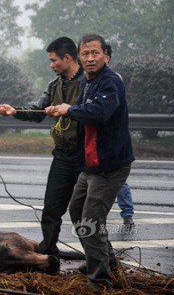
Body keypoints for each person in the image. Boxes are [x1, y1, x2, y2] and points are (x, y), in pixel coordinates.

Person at [48, 34, 134, 289]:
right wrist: (59, 108)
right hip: (92, 163)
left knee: (92, 221)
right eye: (85, 54)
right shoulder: (88, 81)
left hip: (110, 165)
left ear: (106, 55)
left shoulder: (110, 82)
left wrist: (69, 110)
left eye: (94, 53)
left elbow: (99, 112)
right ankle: (105, 259)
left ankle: (100, 281)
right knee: (77, 211)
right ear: (79, 57)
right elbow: (81, 109)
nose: (89, 58)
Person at [0, 37, 84, 260]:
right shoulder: (54, 85)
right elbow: (38, 111)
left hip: (86, 157)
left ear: (67, 58)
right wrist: (14, 111)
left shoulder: (89, 82)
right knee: (52, 207)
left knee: (84, 212)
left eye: (53, 60)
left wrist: (69, 110)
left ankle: (101, 256)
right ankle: (49, 251)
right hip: (62, 155)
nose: (51, 65)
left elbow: (94, 112)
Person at [105, 44, 135, 228]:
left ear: (106, 57)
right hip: (94, 142)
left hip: (113, 140)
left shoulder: (113, 79)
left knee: (118, 180)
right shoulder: (88, 79)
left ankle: (127, 214)